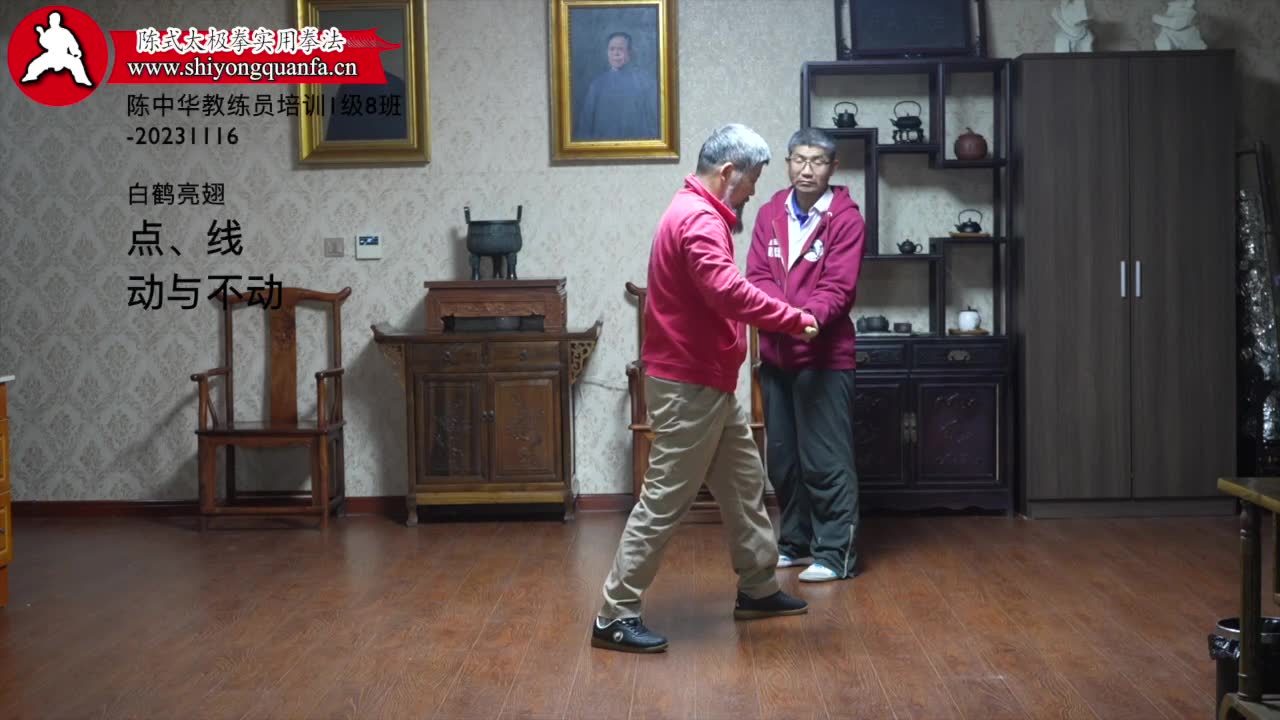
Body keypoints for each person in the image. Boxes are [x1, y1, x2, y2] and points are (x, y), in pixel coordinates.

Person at [591, 124, 819, 654]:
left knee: (743, 483)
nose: (754, 191)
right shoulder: (697, 218)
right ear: (728, 172)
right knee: (663, 500)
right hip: (688, 386)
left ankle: (758, 588)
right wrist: (791, 318)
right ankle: (614, 614)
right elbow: (726, 291)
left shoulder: (699, 211)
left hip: (706, 382)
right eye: (753, 179)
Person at [746, 127, 866, 583]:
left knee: (825, 459)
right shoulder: (770, 212)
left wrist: (804, 318)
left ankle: (836, 554)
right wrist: (783, 317)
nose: (807, 169)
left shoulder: (846, 219)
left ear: (833, 167)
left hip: (824, 359)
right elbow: (757, 276)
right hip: (776, 357)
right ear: (788, 163)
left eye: (817, 161)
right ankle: (795, 543)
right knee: (784, 460)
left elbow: (839, 286)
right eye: (799, 159)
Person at [576, 31, 659, 141]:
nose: (616, 53)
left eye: (620, 49)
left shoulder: (644, 82)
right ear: (607, 53)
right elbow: (585, 125)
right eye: (612, 49)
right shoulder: (597, 85)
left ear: (629, 53)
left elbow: (654, 123)